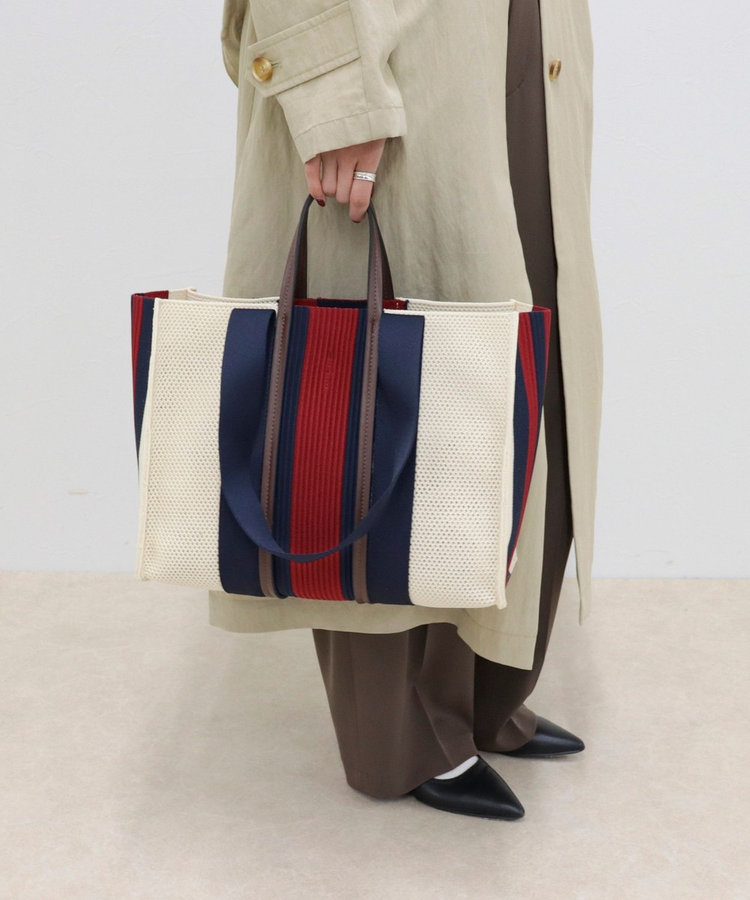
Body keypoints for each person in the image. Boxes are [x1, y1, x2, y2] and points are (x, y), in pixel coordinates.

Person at [215, 0, 603, 819]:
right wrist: (334, 92)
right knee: (379, 386)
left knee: (514, 366)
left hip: (512, 36)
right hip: (391, 47)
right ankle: (398, 735)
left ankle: (484, 693)